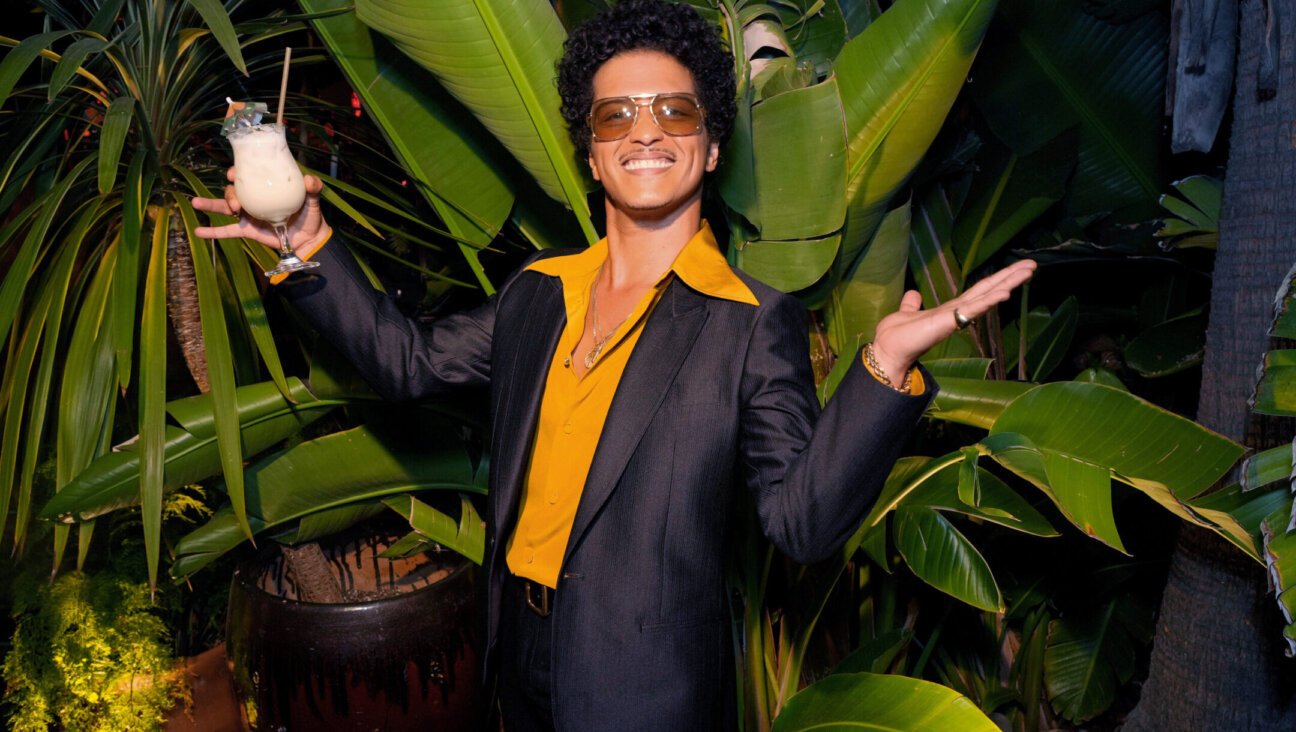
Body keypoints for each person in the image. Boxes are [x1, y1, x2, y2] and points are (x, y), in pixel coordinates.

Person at [194, 1, 1035, 728]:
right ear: (592, 154)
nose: (644, 131)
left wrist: (883, 367)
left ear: (710, 150)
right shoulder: (539, 291)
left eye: (675, 112)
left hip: (649, 690)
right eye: (615, 116)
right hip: (514, 651)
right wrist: (303, 246)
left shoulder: (751, 322)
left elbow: (800, 525)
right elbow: (407, 364)